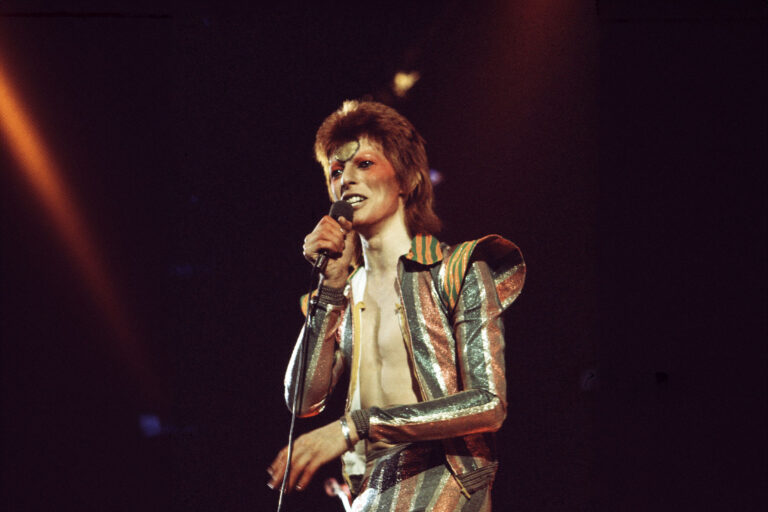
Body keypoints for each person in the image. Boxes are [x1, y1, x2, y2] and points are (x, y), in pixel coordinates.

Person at [268, 100, 525, 511]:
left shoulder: (457, 270)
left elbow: (489, 403)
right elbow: (302, 399)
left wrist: (356, 426)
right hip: (367, 488)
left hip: (441, 476)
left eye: (364, 164)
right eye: (336, 171)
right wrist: (330, 289)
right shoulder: (345, 294)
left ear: (407, 180)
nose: (347, 179)